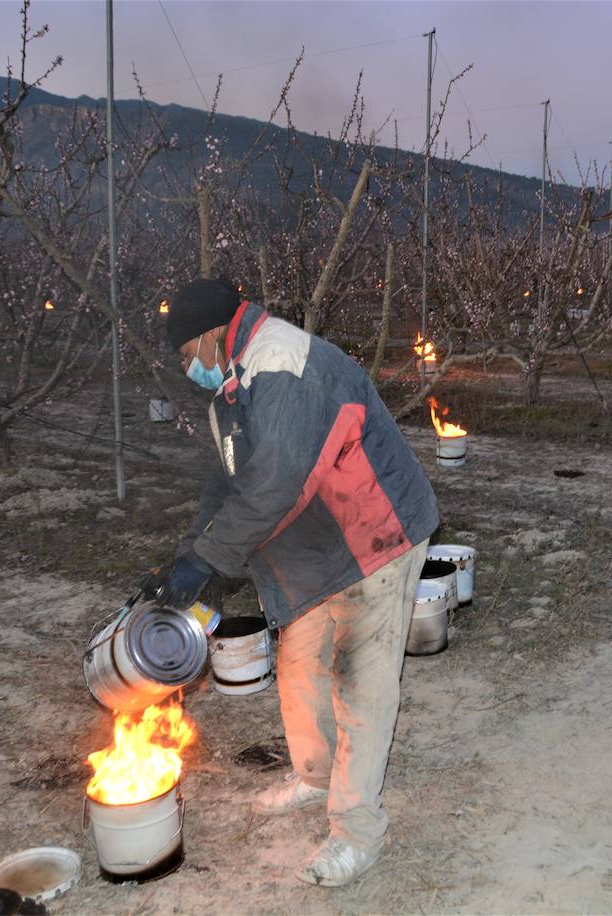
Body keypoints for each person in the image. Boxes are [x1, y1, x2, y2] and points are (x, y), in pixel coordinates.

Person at [161, 277, 439, 887]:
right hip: (319, 545)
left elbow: (277, 481)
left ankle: (357, 833)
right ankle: (315, 777)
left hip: (375, 534)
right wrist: (192, 556)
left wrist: (212, 557)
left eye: (186, 356)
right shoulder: (231, 386)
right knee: (299, 665)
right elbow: (230, 480)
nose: (188, 371)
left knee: (359, 686)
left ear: (210, 336)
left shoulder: (282, 362)